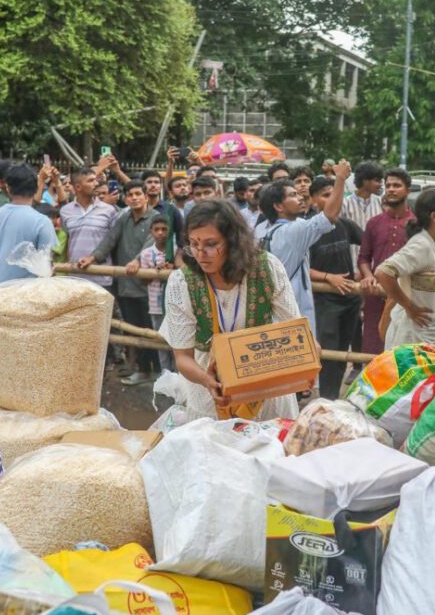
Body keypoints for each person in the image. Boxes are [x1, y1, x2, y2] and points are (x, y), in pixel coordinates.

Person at [158, 200, 299, 420]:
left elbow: (295, 328)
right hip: (209, 389)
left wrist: (306, 347)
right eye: (193, 244)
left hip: (264, 385)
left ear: (233, 241)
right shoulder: (182, 282)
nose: (201, 253)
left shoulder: (267, 268)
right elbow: (183, 358)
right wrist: (208, 381)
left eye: (211, 244)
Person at [77, 181, 159, 386]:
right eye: (130, 194)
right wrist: (93, 258)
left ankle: (155, 371)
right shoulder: (123, 219)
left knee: (151, 328)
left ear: (146, 196)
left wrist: (138, 260)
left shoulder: (156, 219)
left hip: (149, 285)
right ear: (125, 198)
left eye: (138, 193)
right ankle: (142, 370)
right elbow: (109, 240)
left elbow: (153, 244)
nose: (134, 197)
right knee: (133, 328)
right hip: (126, 284)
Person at [259, 160, 350, 335]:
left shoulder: (269, 232)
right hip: (291, 320)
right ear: (278, 206)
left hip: (277, 316)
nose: (300, 196)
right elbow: (329, 215)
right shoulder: (292, 231)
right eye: (293, 195)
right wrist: (340, 179)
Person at [376, 188, 435, 350]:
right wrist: (409, 307)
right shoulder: (421, 245)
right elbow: (383, 272)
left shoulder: (433, 244)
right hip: (409, 339)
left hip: (425, 338)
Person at [307, 175, 363, 399]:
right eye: (326, 195)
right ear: (313, 201)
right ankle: (326, 398)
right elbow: (301, 267)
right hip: (325, 300)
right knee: (328, 351)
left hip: (350, 298)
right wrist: (329, 277)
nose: (333, 199)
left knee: (342, 350)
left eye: (334, 194)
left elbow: (367, 247)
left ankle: (333, 398)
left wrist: (364, 272)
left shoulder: (344, 224)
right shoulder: (308, 230)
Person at [358, 168, 414, 355]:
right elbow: (364, 258)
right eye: (388, 185)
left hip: (405, 296)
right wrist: (367, 276)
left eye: (396, 185)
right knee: (373, 350)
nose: (390, 189)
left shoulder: (417, 224)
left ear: (408, 190)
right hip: (375, 296)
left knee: (401, 351)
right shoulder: (374, 223)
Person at [0, 163, 58, 291]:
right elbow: (47, 268)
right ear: (36, 189)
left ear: (8, 188)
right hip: (26, 301)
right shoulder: (42, 222)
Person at [60, 167, 119, 289]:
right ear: (78, 187)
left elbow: (113, 242)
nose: (96, 183)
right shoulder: (65, 211)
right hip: (75, 278)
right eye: (90, 181)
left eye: (95, 180)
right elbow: (67, 241)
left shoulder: (109, 210)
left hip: (102, 277)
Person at [139, 215, 175, 373]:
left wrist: (172, 268)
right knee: (161, 340)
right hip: (155, 304)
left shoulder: (176, 251)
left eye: (164, 229)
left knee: (177, 340)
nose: (160, 233)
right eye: (157, 230)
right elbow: (143, 281)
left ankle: (180, 375)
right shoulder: (146, 254)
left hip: (175, 304)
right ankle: (165, 373)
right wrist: (156, 270)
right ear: (151, 232)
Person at [341, 161, 384, 245]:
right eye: (377, 181)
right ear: (365, 181)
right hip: (352, 254)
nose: (380, 185)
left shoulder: (381, 203)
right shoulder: (345, 204)